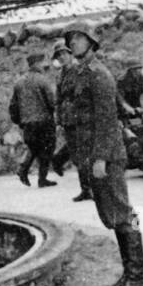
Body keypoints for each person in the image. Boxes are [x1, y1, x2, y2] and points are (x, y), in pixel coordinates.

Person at [65, 23, 143, 286]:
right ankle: (129, 273)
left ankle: (137, 277)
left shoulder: (98, 74)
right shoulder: (78, 73)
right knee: (113, 214)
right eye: (71, 39)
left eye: (79, 38)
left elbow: (107, 121)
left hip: (106, 156)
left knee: (123, 213)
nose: (74, 42)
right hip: (92, 155)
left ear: (91, 42)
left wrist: (100, 157)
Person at [51, 42, 92, 201]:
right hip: (68, 119)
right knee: (77, 155)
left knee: (83, 155)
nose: (61, 57)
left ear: (70, 54)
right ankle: (86, 189)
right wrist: (59, 118)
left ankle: (89, 189)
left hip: (80, 117)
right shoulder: (60, 75)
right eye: (58, 56)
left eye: (64, 54)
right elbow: (58, 99)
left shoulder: (78, 71)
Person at [9, 52, 57, 188]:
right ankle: (41, 179)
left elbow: (13, 105)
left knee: (34, 147)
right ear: (36, 64)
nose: (44, 65)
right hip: (43, 121)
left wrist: (19, 121)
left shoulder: (19, 81)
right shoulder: (42, 80)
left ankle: (23, 169)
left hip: (28, 123)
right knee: (47, 149)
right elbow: (52, 101)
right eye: (42, 63)